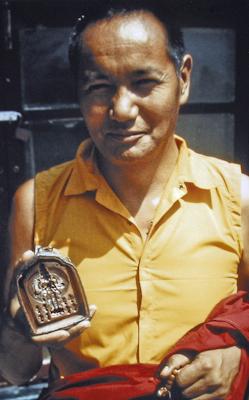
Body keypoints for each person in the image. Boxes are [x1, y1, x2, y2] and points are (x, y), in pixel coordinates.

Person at [1, 0, 249, 398]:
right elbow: (15, 372)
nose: (120, 109)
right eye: (99, 87)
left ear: (183, 79)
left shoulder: (237, 197)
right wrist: (18, 332)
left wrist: (238, 354)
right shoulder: (36, 203)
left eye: (143, 82)